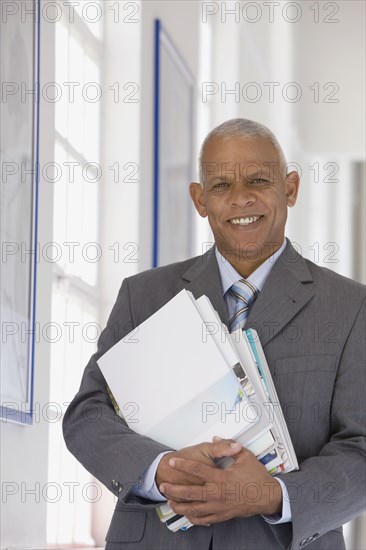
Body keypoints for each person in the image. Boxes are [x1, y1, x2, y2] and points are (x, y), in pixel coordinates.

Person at [63, 119, 365, 550]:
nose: (241, 198)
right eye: (221, 185)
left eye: (258, 180)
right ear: (200, 199)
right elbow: (87, 415)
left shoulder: (352, 308)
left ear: (291, 188)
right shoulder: (143, 296)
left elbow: (361, 447)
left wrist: (270, 494)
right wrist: (160, 468)